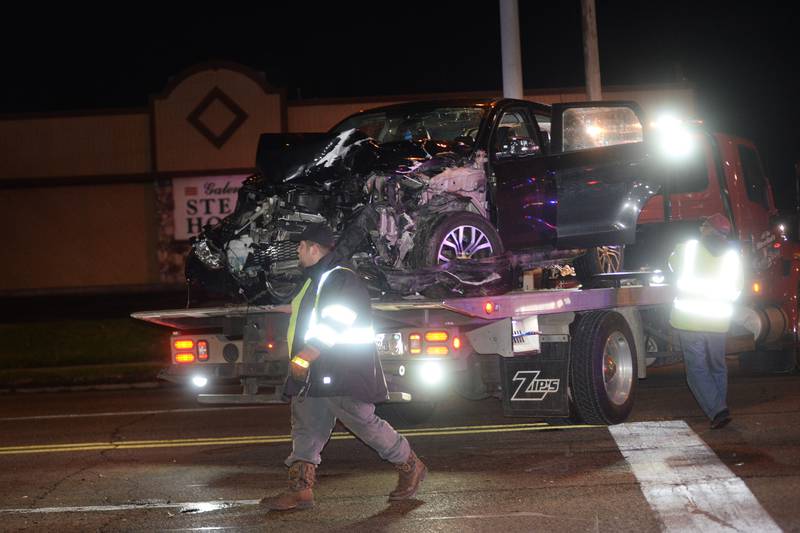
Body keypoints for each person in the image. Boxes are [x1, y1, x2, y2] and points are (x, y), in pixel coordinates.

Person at [261, 223, 427, 511]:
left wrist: (307, 355)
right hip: (315, 373)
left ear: (314, 248)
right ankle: (300, 489)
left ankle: (410, 465)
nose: (298, 252)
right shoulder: (317, 279)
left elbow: (336, 321)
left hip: (342, 370)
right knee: (306, 427)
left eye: (301, 246)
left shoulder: (340, 278)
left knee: (365, 424)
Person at [668, 213, 743, 429]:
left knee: (697, 370)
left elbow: (672, 266)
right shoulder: (732, 256)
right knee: (718, 366)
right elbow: (737, 288)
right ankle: (719, 406)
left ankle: (718, 410)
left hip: (690, 319)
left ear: (709, 228)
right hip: (718, 320)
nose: (701, 227)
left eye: (703, 224)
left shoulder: (687, 248)